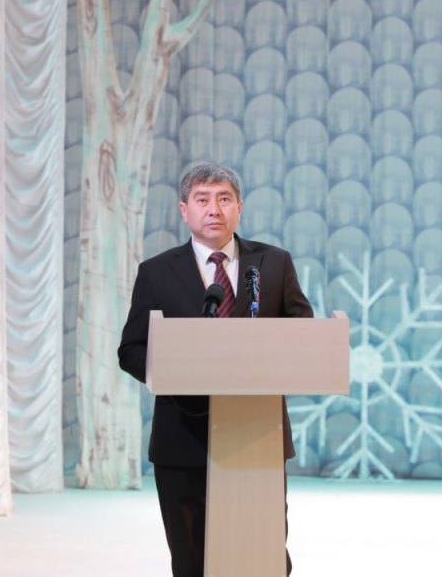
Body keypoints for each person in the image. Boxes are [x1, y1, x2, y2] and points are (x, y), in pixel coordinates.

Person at [118, 162, 313, 577]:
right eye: (202, 199)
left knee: (263, 555)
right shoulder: (157, 272)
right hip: (182, 436)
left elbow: (303, 333)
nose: (214, 209)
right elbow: (132, 349)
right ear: (184, 209)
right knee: (191, 559)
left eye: (224, 199)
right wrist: (171, 373)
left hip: (257, 434)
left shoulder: (273, 263)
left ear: (239, 207)